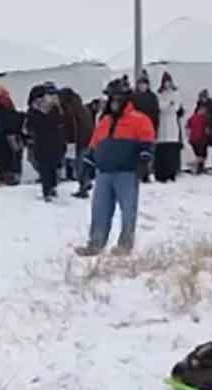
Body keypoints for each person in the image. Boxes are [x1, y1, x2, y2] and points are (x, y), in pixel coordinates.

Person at [75, 79, 155, 257]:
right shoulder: (104, 122)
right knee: (99, 210)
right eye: (111, 98)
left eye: (117, 98)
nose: (113, 102)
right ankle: (95, 244)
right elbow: (94, 145)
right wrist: (87, 164)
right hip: (104, 173)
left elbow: (147, 143)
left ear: (126, 99)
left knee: (128, 211)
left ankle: (125, 245)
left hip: (126, 173)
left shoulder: (140, 120)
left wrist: (144, 160)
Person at [25, 85, 65, 202]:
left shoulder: (33, 110)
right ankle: (51, 187)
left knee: (44, 167)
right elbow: (60, 122)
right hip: (54, 141)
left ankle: (47, 190)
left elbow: (29, 127)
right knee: (51, 165)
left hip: (41, 142)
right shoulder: (54, 107)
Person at [59, 88, 95, 198]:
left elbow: (72, 128)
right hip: (88, 139)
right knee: (83, 164)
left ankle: (83, 186)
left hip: (78, 141)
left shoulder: (70, 110)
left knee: (78, 165)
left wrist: (70, 141)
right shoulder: (81, 108)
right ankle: (86, 182)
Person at [154, 72, 183, 183]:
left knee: (171, 150)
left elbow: (176, 107)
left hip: (171, 123)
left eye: (169, 82)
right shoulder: (160, 94)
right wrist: (168, 104)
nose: (167, 84)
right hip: (163, 123)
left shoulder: (175, 93)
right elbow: (160, 107)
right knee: (163, 149)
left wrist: (169, 105)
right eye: (165, 82)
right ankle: (162, 174)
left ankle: (171, 173)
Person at [0, 86, 24, 186]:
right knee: (14, 156)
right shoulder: (8, 106)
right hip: (13, 135)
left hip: (4, 136)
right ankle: (12, 176)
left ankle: (7, 176)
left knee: (6, 157)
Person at [187, 104, 210, 174]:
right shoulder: (204, 118)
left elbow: (187, 127)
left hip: (193, 139)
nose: (204, 111)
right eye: (203, 110)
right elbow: (207, 130)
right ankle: (193, 164)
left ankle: (198, 169)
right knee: (202, 156)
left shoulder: (192, 117)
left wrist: (189, 136)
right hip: (201, 139)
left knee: (198, 155)